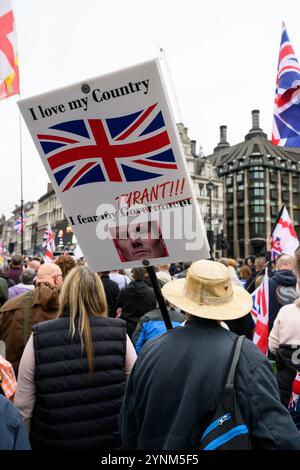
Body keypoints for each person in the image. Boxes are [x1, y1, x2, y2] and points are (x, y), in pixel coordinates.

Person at [119, 260, 300, 450]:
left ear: (185, 303)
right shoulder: (247, 356)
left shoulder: (150, 351)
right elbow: (278, 437)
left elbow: (128, 427)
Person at [15, 266, 136, 450]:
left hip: (52, 441)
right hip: (110, 442)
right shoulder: (119, 333)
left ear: (65, 293)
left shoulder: (39, 336)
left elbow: (23, 406)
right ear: (99, 295)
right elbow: (135, 390)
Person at [0, 263, 63, 376]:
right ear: (57, 279)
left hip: (17, 379)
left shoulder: (10, 307)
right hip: (56, 379)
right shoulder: (70, 308)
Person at [117, 267, 156, 338]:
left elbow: (119, 305)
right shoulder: (151, 292)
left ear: (132, 275)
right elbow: (153, 308)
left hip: (128, 325)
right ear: (144, 275)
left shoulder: (124, 291)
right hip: (145, 325)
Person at [268, 254, 297, 333]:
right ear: (292, 265)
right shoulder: (298, 283)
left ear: (277, 266)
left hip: (274, 329)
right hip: (296, 329)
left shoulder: (268, 283)